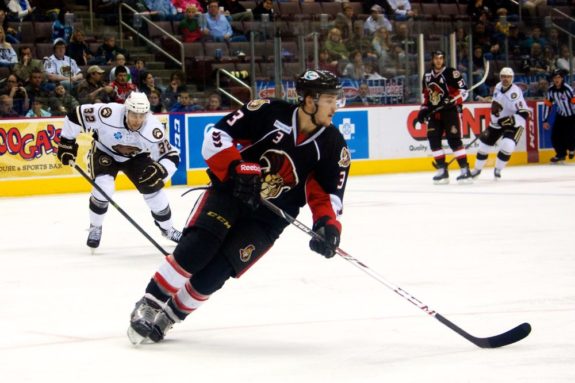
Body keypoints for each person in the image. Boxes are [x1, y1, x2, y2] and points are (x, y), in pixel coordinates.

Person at [126, 69, 350, 345]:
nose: (335, 106)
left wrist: (327, 226)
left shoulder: (332, 145)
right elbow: (217, 135)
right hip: (232, 192)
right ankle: (150, 302)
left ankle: (170, 316)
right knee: (199, 247)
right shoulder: (268, 112)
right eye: (330, 99)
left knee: (217, 272)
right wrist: (237, 167)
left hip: (268, 220)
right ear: (309, 100)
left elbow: (327, 195)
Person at [55, 92, 183, 251]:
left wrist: (160, 171)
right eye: (134, 114)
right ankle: (95, 227)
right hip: (104, 151)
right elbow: (76, 115)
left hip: (137, 156)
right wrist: (67, 142)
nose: (138, 120)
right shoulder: (107, 114)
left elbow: (171, 156)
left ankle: (168, 229)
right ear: (126, 110)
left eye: (142, 115)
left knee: (154, 190)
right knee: (103, 187)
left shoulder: (153, 128)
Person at [414, 50, 471, 184]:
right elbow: (427, 96)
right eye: (436, 58)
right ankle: (442, 170)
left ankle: (465, 170)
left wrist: (452, 99)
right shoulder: (427, 75)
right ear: (432, 60)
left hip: (450, 112)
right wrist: (423, 110)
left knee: (454, 141)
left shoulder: (452, 73)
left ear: (444, 59)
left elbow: (464, 92)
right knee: (433, 140)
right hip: (434, 113)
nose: (438, 61)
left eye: (441, 58)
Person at [470, 67, 531, 179]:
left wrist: (511, 120)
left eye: (508, 77)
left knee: (507, 145)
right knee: (483, 146)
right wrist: (487, 99)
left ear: (512, 78)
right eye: (503, 76)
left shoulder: (515, 93)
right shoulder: (498, 86)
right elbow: (497, 100)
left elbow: (525, 113)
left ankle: (498, 169)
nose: (505, 79)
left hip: (514, 124)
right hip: (497, 122)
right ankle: (476, 170)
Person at [542, 68, 575, 163]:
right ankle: (560, 155)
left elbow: (574, 101)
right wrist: (544, 120)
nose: (557, 79)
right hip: (561, 116)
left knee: (569, 135)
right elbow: (547, 105)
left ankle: (572, 148)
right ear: (552, 79)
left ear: (562, 78)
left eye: (559, 77)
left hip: (572, 116)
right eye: (555, 77)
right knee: (555, 136)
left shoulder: (568, 89)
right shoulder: (551, 91)